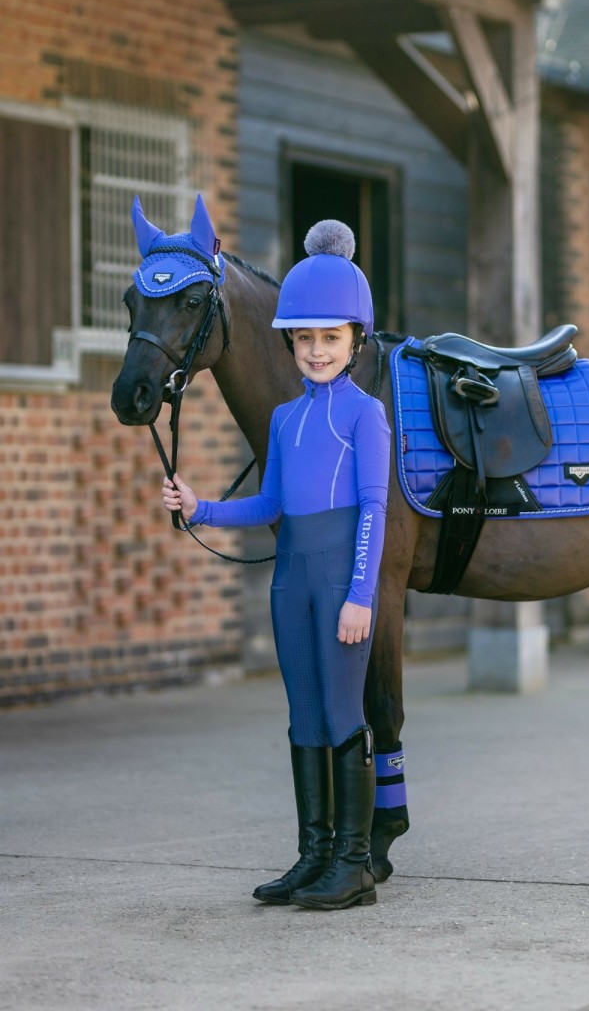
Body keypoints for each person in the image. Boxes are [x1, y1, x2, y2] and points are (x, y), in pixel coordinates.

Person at [162, 219, 390, 911]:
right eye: (304, 338)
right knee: (303, 717)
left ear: (355, 341)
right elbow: (268, 503)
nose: (316, 351)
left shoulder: (366, 415)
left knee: (343, 711)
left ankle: (353, 863)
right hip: (290, 583)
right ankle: (313, 853)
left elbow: (375, 511)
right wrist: (201, 507)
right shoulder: (286, 421)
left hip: (338, 586)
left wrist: (360, 596)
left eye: (330, 338)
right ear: (289, 341)